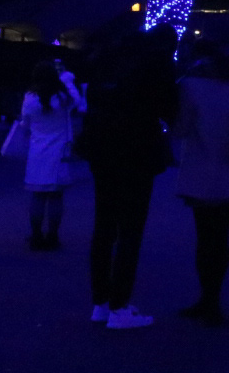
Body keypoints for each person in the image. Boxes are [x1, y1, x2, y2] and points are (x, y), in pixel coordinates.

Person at [78, 26, 178, 330]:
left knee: (103, 226)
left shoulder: (106, 59)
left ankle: (101, 303)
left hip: (100, 148)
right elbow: (169, 108)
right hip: (137, 151)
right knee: (131, 230)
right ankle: (121, 307)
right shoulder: (156, 63)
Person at [175, 42, 229, 327]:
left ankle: (205, 298)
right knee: (221, 236)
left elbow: (181, 128)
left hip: (199, 165)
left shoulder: (189, 85)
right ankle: (215, 300)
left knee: (203, 235)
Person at [21, 60, 85, 250]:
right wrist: (67, 80)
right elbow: (77, 99)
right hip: (59, 151)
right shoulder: (62, 98)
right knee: (56, 196)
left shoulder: (29, 98)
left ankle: (36, 236)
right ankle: (53, 236)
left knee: (38, 195)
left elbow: (25, 124)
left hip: (37, 151)